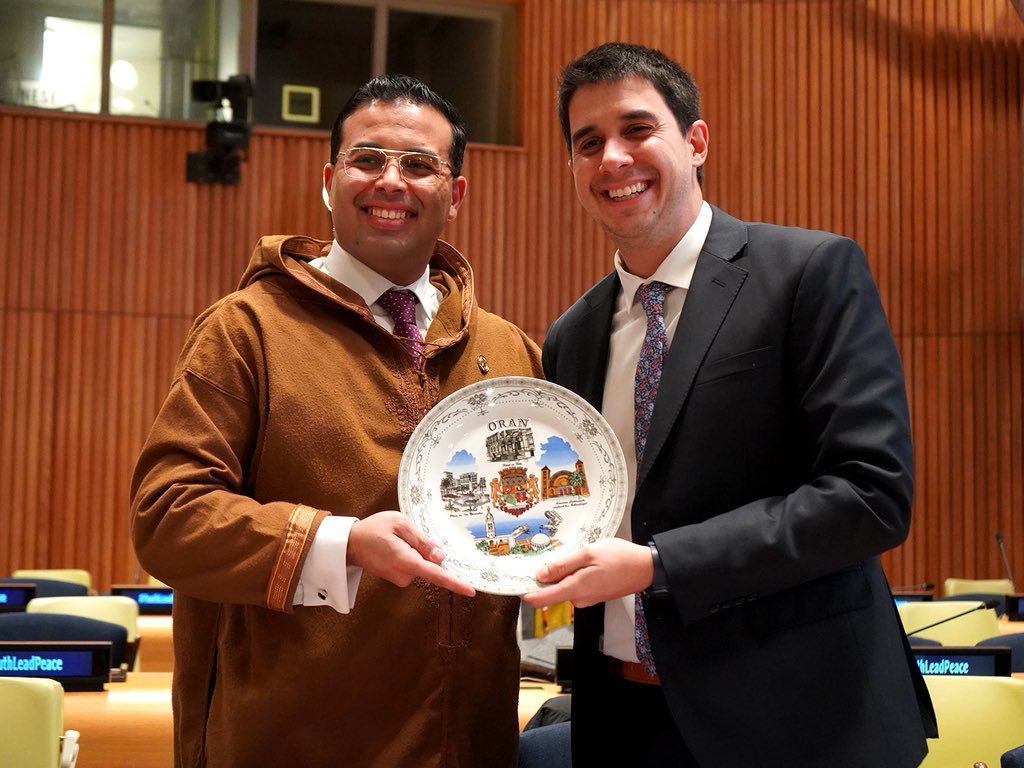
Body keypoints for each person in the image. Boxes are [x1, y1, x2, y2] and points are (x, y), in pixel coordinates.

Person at [524, 42, 937, 767]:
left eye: (636, 129)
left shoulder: (808, 273)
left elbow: (870, 496)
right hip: (625, 720)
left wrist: (658, 564)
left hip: (802, 722)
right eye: (588, 143)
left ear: (696, 139)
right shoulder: (572, 336)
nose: (612, 158)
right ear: (572, 170)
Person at [130, 74, 543, 768]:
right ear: (330, 179)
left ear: (457, 193)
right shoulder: (247, 330)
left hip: (470, 743)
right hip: (287, 742)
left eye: (419, 165)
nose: (391, 180)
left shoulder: (508, 349)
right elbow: (168, 517)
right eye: (368, 159)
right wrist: (341, 543)